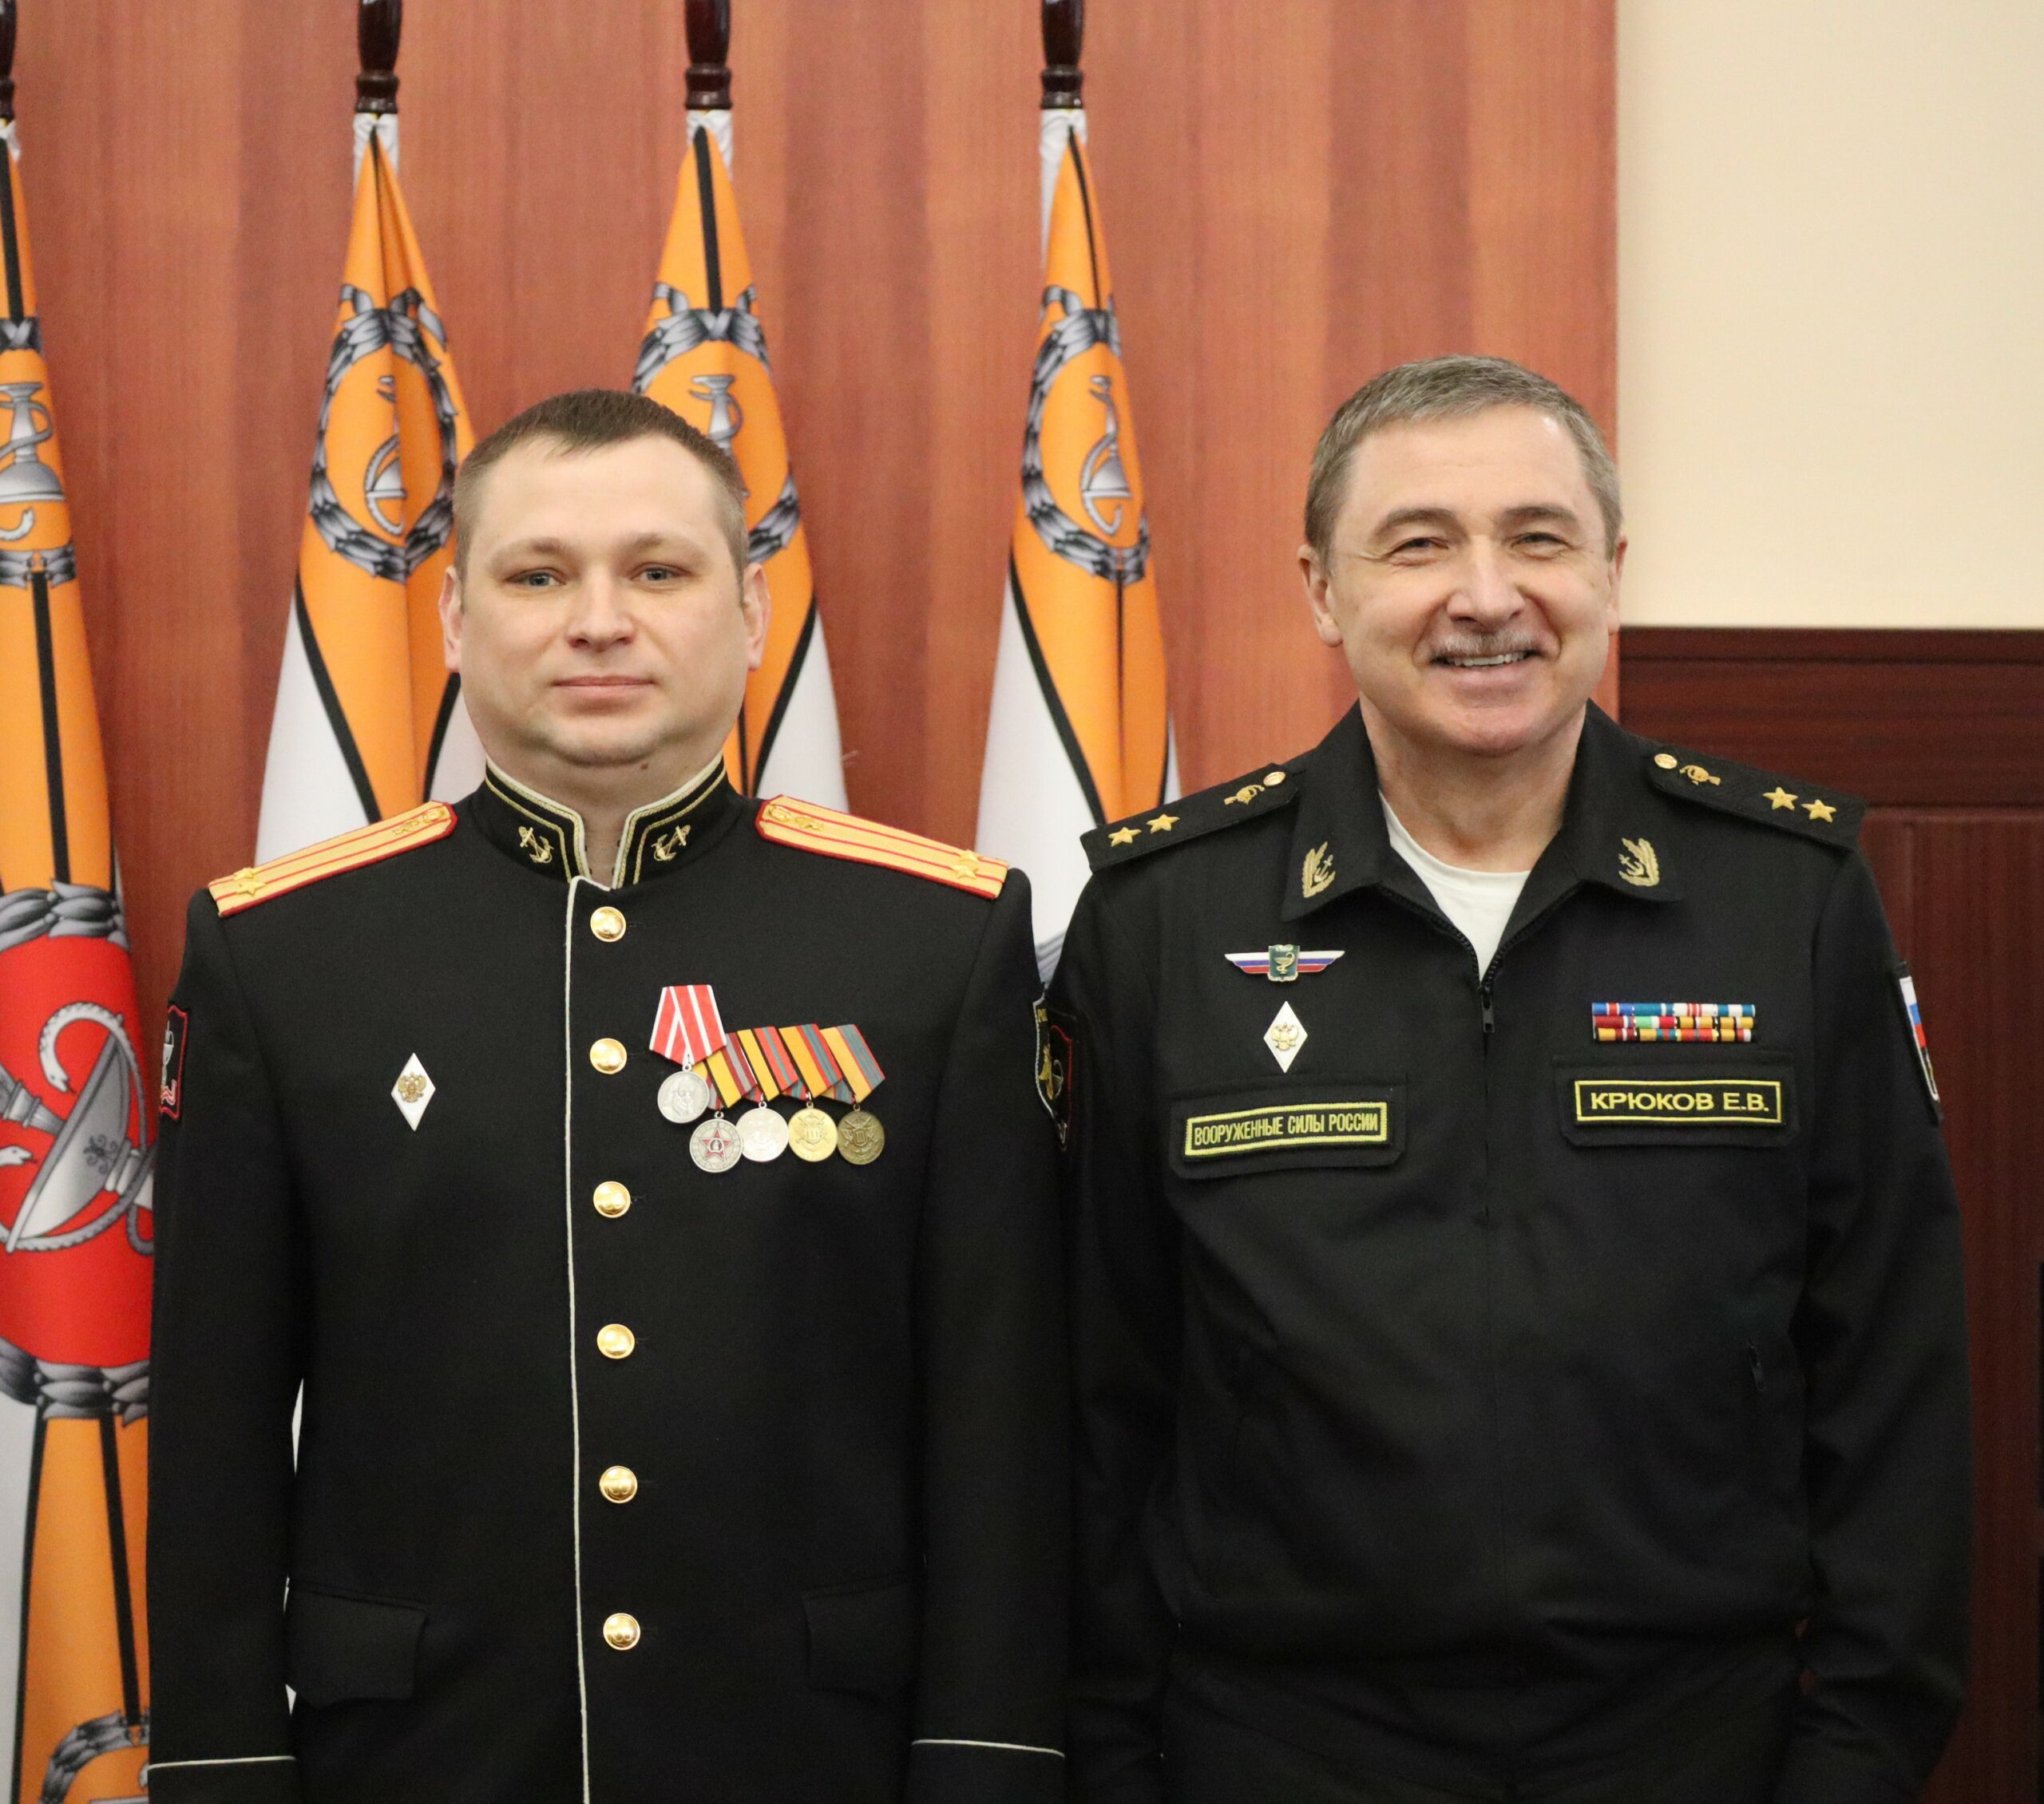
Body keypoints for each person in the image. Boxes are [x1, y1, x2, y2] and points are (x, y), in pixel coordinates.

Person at [1052, 354, 1971, 1804]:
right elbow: (1095, 1393)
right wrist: (1109, 1758)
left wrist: (1856, 1754)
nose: (1487, 597)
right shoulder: (1163, 919)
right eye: (1419, 544)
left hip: (1696, 1742)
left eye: (1538, 538)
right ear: (1321, 590)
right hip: (1279, 1745)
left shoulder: (1785, 896)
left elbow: (1896, 1364)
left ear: (1610, 573)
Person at [147, 389, 1067, 1803]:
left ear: (750, 615)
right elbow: (213, 1428)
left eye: (657, 571)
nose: (598, 621)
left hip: (806, 1753)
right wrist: (219, 1768)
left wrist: (990, 1761)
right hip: (416, 1757)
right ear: (455, 620)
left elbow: (1000, 1417)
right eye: (537, 576)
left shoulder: (935, 942)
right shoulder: (281, 953)